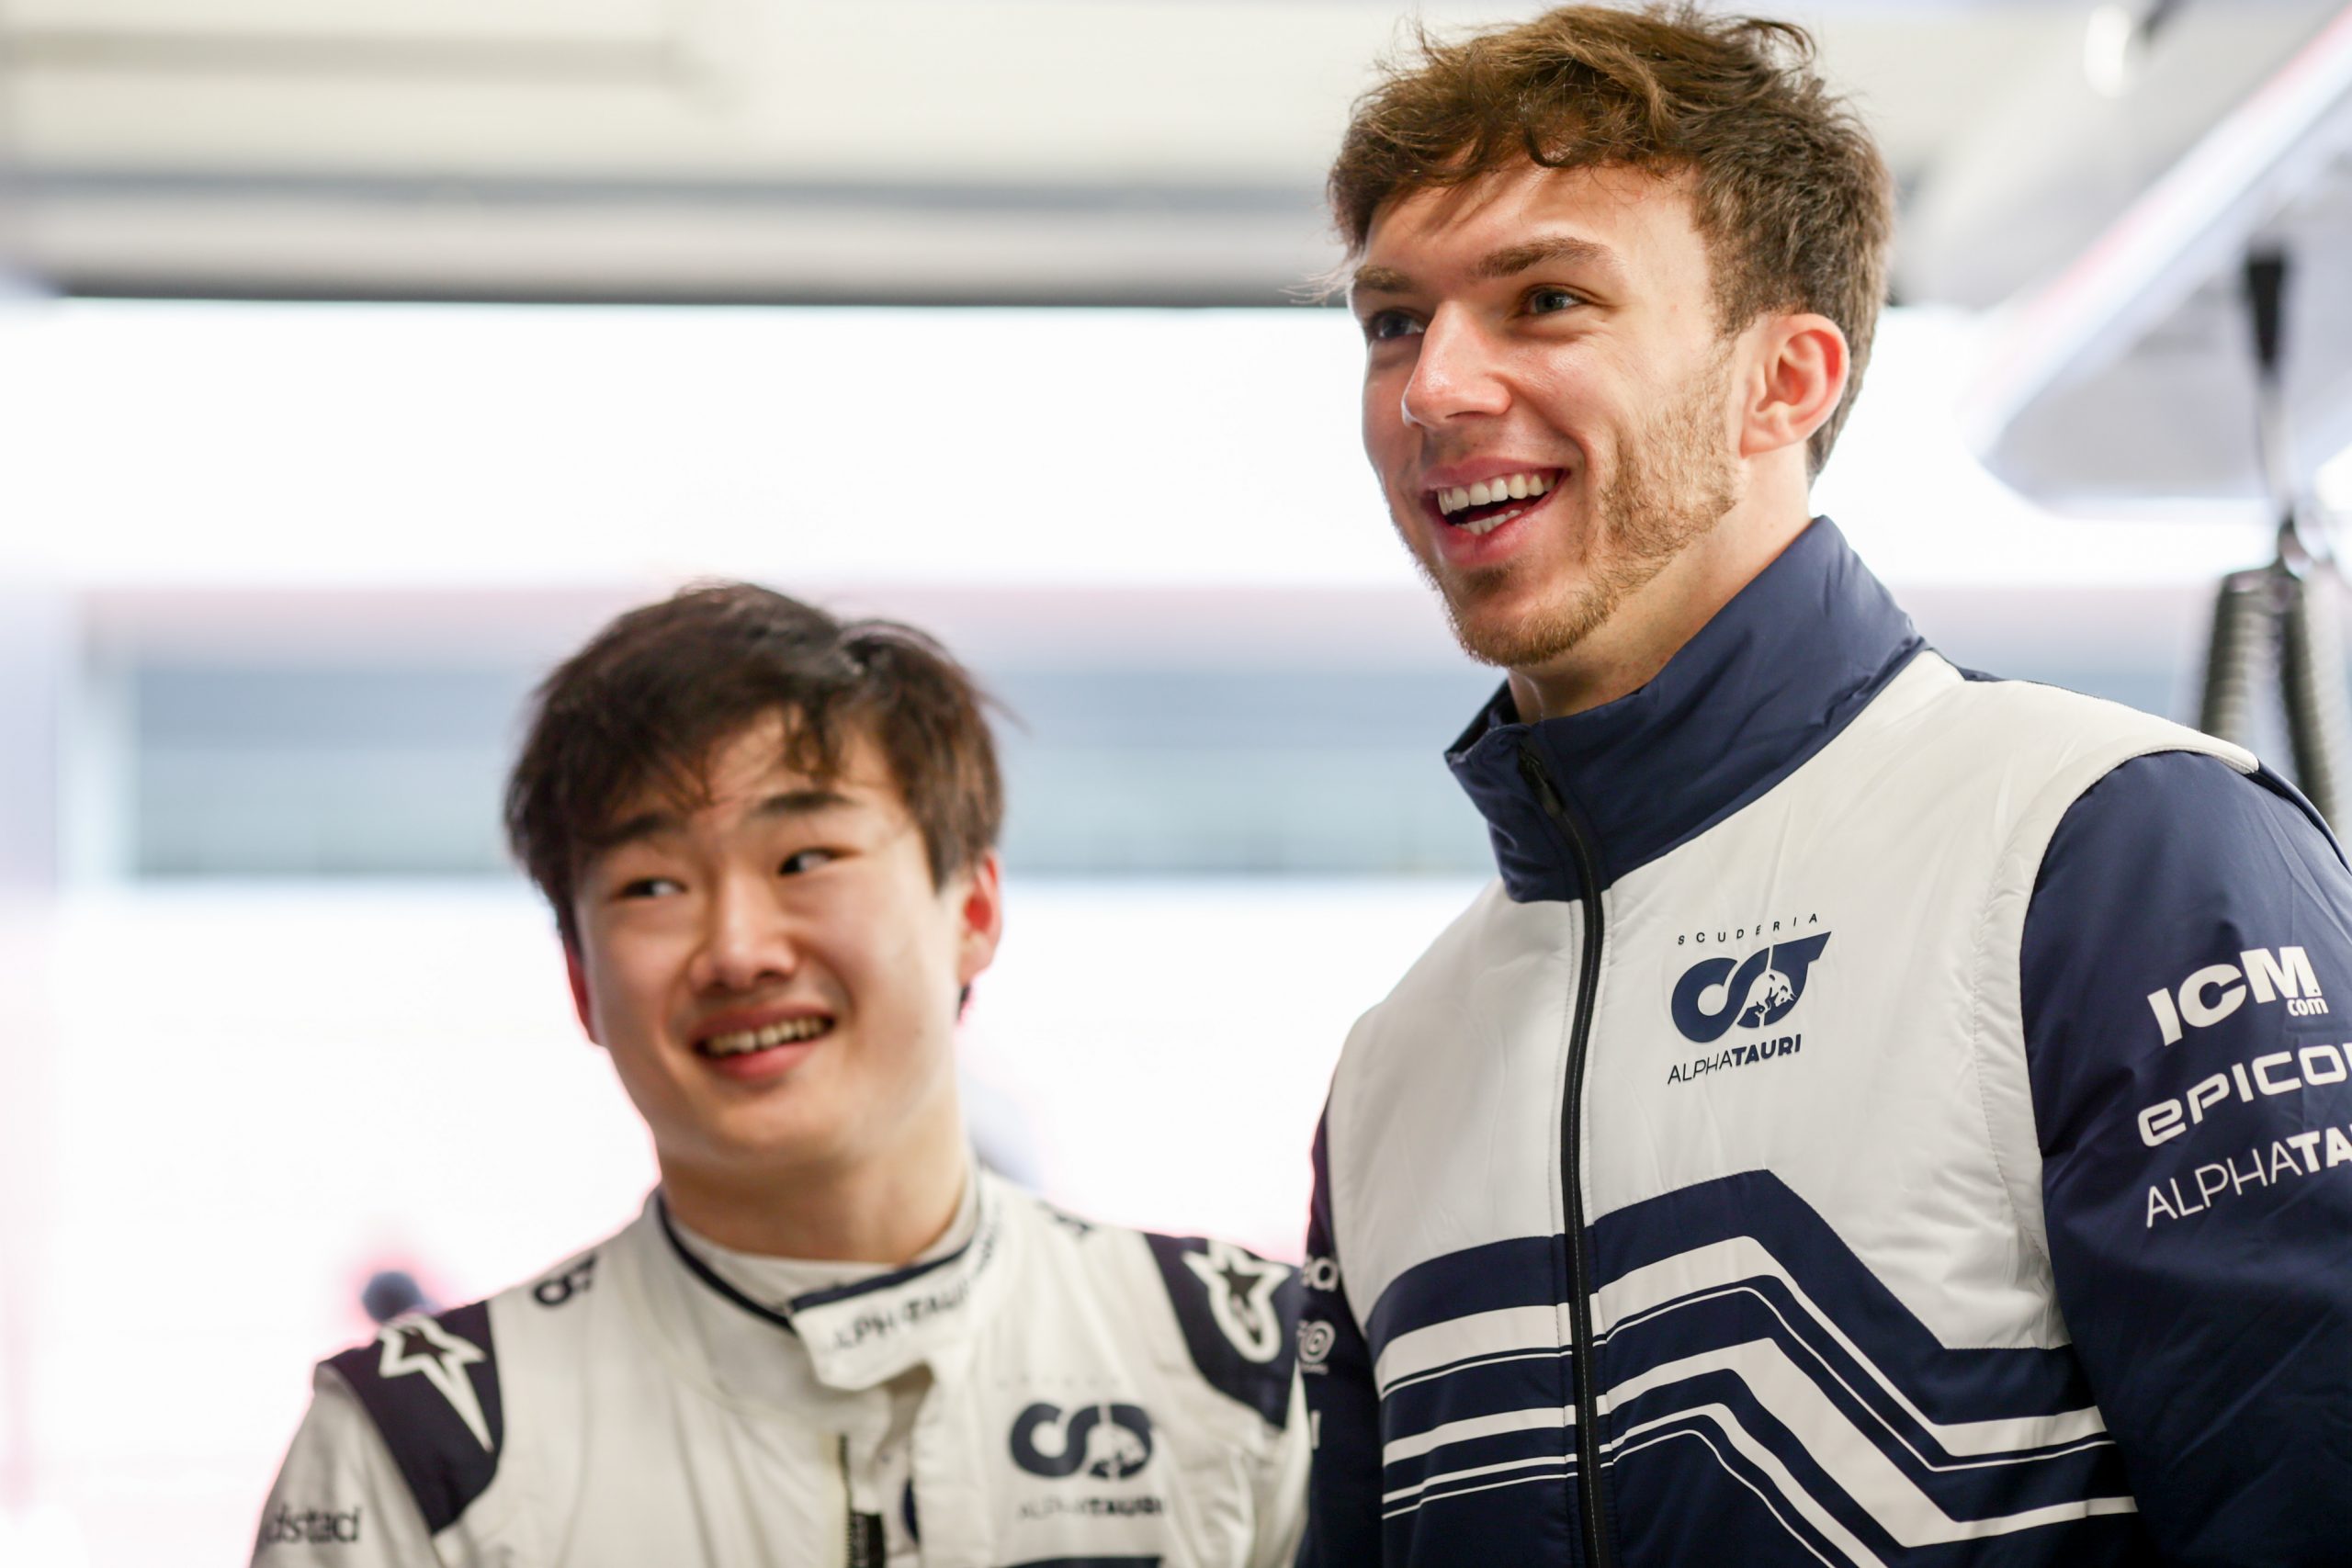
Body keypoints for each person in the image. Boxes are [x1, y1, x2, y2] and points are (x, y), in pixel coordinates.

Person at [1295, 6, 2352, 1566]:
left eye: (1547, 298)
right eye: (1393, 321)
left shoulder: (2104, 848)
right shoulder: (1395, 1068)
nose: (1438, 386)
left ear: (1782, 382)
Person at [253, 584, 1306, 1566]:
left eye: (804, 860)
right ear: (580, 980)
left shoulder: (1250, 1368)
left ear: (972, 911)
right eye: (651, 885)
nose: (737, 949)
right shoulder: (418, 1448)